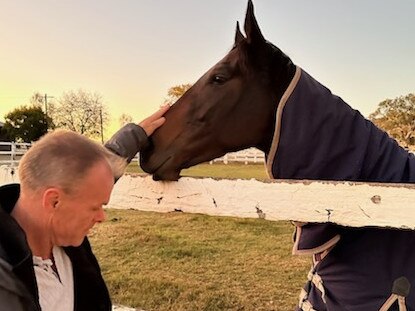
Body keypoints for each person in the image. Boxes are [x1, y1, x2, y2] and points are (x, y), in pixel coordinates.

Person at [0, 105, 170, 311]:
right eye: (95, 207)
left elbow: (89, 174)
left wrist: (136, 135)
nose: (102, 217)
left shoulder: (63, 228)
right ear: (54, 201)